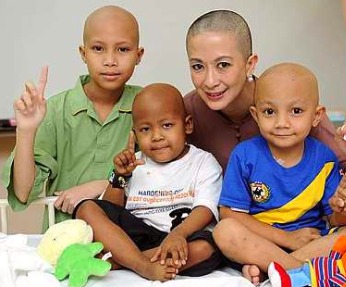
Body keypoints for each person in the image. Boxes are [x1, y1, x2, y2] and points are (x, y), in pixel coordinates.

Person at [184, 9, 346, 222]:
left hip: (305, 223)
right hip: (242, 227)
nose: (210, 81)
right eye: (198, 66)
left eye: (223, 65)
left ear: (250, 64)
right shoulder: (189, 111)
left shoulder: (294, 106)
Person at [213, 62, 346, 285]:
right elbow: (230, 214)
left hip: (312, 245)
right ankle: (302, 270)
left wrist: (344, 209)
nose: (282, 123)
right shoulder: (244, 155)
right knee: (224, 231)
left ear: (317, 116)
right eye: (269, 112)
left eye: (296, 111)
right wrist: (287, 239)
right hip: (263, 241)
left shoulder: (324, 157)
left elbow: (336, 220)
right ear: (255, 114)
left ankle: (273, 268)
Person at [1, 5, 144, 230]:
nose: (110, 60)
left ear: (139, 55)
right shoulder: (56, 110)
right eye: (98, 48)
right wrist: (26, 131)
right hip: (65, 240)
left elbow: (167, 178)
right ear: (83, 53)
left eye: (123, 49)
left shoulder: (148, 104)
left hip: (130, 241)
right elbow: (23, 191)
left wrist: (101, 185)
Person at [73, 83, 223, 282]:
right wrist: (119, 177)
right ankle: (142, 265)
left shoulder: (203, 162)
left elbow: (205, 208)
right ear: (135, 133)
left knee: (206, 247)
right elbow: (110, 209)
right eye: (145, 129)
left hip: (183, 237)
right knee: (87, 208)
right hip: (135, 239)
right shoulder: (134, 163)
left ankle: (119, 262)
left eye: (167, 125)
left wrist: (178, 234)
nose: (157, 136)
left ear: (187, 125)